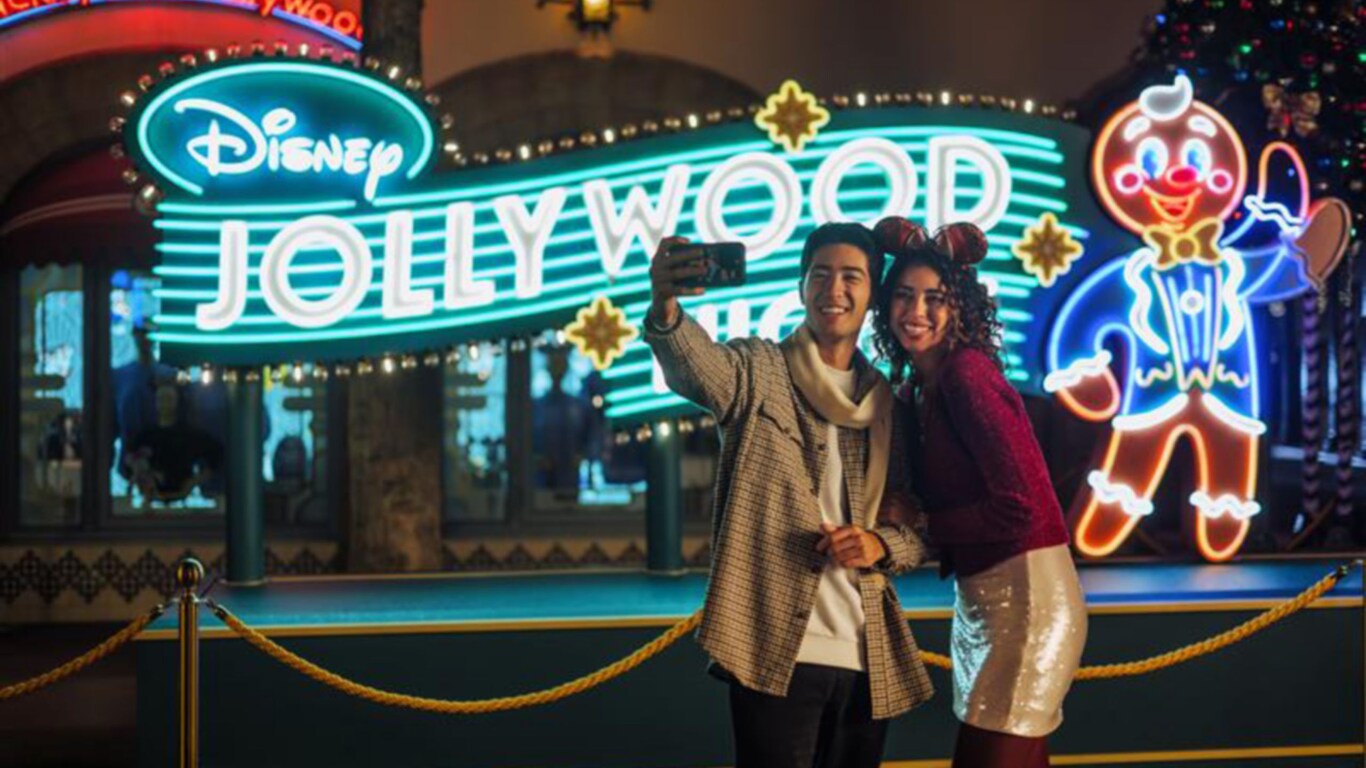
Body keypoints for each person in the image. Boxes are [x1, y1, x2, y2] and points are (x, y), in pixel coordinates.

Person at [645, 223, 932, 768]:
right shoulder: (757, 370)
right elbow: (693, 366)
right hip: (773, 648)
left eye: (852, 277)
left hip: (866, 653)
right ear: (801, 287)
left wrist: (880, 545)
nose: (834, 290)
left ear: (872, 295)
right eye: (820, 275)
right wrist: (665, 306)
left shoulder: (887, 405)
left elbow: (916, 529)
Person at [870, 216, 1087, 768]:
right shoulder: (920, 385)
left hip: (1028, 600)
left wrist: (921, 522)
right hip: (981, 603)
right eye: (904, 295)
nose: (916, 312)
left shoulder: (967, 374)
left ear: (961, 307)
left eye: (935, 298)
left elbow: (1017, 509)